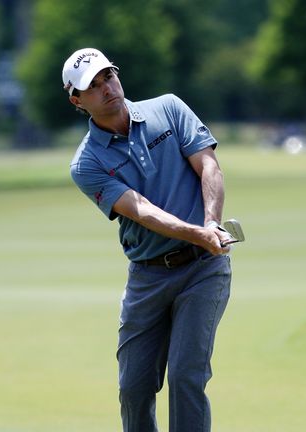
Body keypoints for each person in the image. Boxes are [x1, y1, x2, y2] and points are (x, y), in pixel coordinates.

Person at [63, 48, 233, 432]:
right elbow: (140, 210)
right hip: (148, 276)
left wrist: (211, 223)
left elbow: (208, 163)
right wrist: (199, 233)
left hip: (204, 268)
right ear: (77, 99)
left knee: (186, 376)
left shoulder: (169, 108)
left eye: (109, 76)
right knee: (134, 387)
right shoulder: (86, 163)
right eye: (93, 85)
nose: (107, 88)